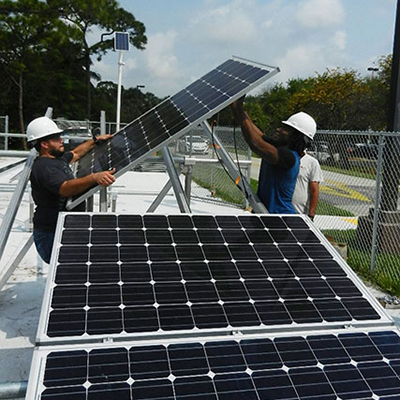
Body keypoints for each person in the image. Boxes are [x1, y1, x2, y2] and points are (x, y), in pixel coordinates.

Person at [27, 116, 116, 263]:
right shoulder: (44, 167)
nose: (61, 140)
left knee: (72, 269)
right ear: (44, 144)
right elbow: (65, 188)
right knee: (65, 269)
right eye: (56, 138)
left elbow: (76, 153)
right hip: (51, 232)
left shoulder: (56, 158)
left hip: (62, 227)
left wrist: (95, 141)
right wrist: (94, 177)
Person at [231, 96, 317, 213]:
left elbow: (255, 143)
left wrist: (239, 110)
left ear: (295, 136)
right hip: (264, 213)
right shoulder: (277, 146)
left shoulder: (289, 158)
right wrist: (236, 105)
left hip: (279, 218)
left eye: (285, 129)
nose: (278, 129)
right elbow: (252, 129)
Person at [292, 151, 324, 221]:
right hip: (283, 209)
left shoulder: (312, 163)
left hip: (301, 213)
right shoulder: (285, 158)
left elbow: (314, 190)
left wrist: (311, 214)